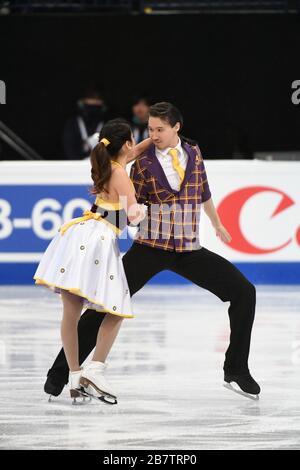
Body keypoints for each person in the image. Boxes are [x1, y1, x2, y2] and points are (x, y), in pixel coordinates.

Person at [44, 102, 260, 401]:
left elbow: (204, 191)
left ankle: (236, 369)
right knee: (105, 305)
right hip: (150, 247)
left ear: (176, 128)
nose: (154, 134)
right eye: (150, 129)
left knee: (244, 291)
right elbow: (125, 202)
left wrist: (218, 224)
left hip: (188, 248)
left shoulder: (194, 152)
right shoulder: (141, 161)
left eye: (160, 129)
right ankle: (60, 375)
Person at [34, 118, 150, 403]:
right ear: (126, 143)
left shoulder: (106, 163)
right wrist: (146, 212)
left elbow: (131, 154)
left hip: (80, 235)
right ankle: (96, 368)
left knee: (70, 313)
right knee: (117, 306)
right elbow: (132, 215)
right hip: (100, 241)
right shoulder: (120, 173)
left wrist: (151, 141)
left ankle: (74, 374)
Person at [63, 88, 109, 159]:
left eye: (97, 100)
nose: (93, 102)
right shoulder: (72, 124)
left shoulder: (109, 125)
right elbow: (69, 151)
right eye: (90, 99)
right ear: (81, 103)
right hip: (77, 166)